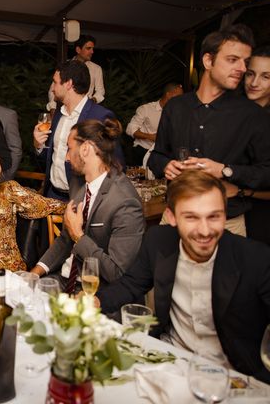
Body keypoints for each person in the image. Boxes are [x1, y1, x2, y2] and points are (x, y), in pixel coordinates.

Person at [97, 171, 270, 383]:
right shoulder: (158, 241)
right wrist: (95, 301)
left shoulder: (256, 259)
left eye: (214, 216)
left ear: (225, 215)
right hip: (169, 361)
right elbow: (131, 284)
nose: (205, 231)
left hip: (232, 376)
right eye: (191, 217)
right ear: (171, 217)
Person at [148, 24, 270, 236]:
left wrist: (226, 170)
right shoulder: (176, 107)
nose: (242, 68)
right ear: (208, 61)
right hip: (174, 218)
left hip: (226, 224)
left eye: (245, 62)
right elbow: (156, 155)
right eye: (233, 59)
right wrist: (166, 165)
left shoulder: (252, 114)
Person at [30, 119, 144, 295]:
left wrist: (79, 235)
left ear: (85, 149)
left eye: (69, 148)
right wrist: (34, 274)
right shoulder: (79, 183)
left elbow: (116, 273)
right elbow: (66, 239)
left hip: (95, 292)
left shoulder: (125, 202)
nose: (67, 157)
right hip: (64, 280)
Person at [33, 60, 121, 202]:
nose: (52, 88)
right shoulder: (58, 115)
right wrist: (39, 145)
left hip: (81, 199)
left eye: (55, 82)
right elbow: (51, 158)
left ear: (69, 84)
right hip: (52, 196)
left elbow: (115, 165)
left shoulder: (100, 116)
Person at [242, 45, 270, 243]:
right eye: (250, 74)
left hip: (262, 215)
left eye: (265, 76)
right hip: (230, 211)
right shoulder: (232, 114)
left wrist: (244, 191)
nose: (254, 82)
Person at [125, 82, 183, 167]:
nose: (181, 100)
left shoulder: (179, 112)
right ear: (168, 94)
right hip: (142, 151)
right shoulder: (146, 109)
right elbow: (130, 129)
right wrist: (150, 137)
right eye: (179, 96)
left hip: (164, 154)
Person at [73, 34, 104, 103]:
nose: (92, 52)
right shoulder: (66, 66)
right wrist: (52, 107)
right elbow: (53, 89)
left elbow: (100, 91)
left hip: (86, 109)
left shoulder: (96, 68)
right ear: (78, 50)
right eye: (88, 48)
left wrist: (91, 101)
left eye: (92, 49)